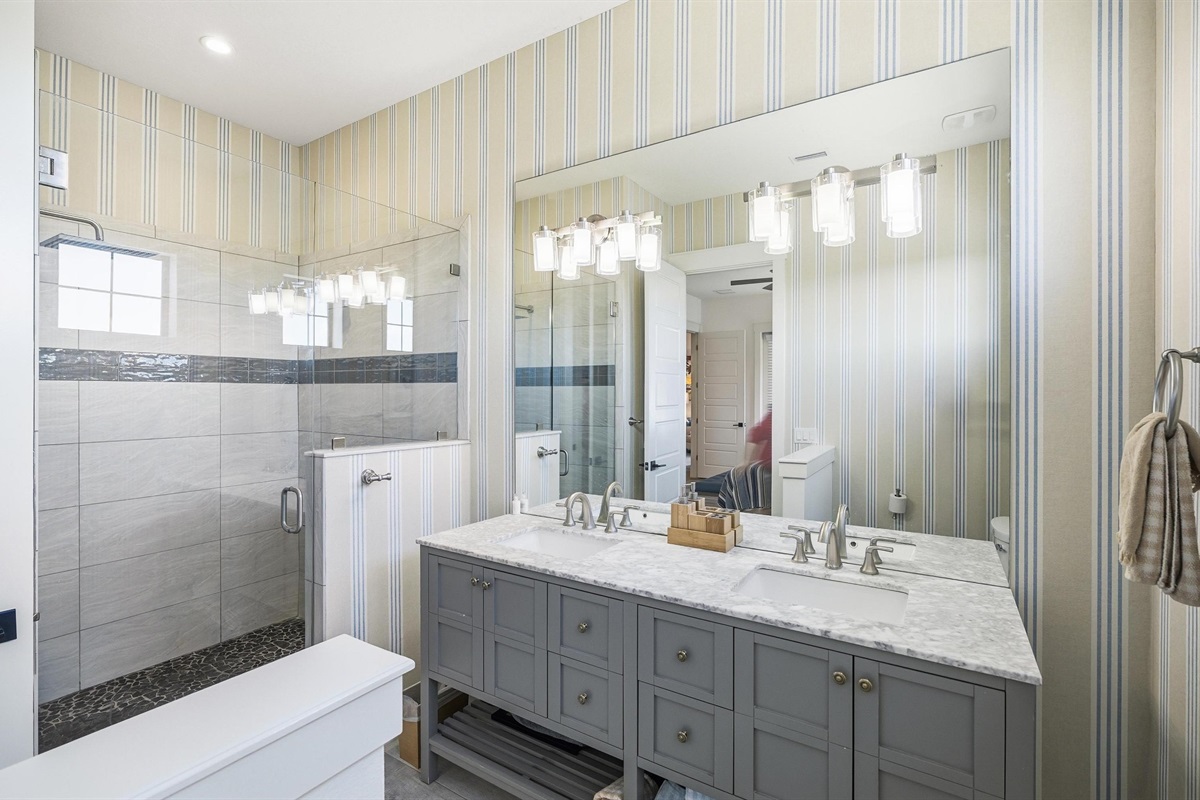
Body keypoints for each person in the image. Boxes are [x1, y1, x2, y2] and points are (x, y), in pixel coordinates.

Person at [718, 409, 772, 511]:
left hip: (773, 468)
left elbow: (756, 435)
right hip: (769, 466)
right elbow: (756, 435)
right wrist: (746, 461)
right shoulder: (774, 416)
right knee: (735, 474)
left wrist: (747, 461)